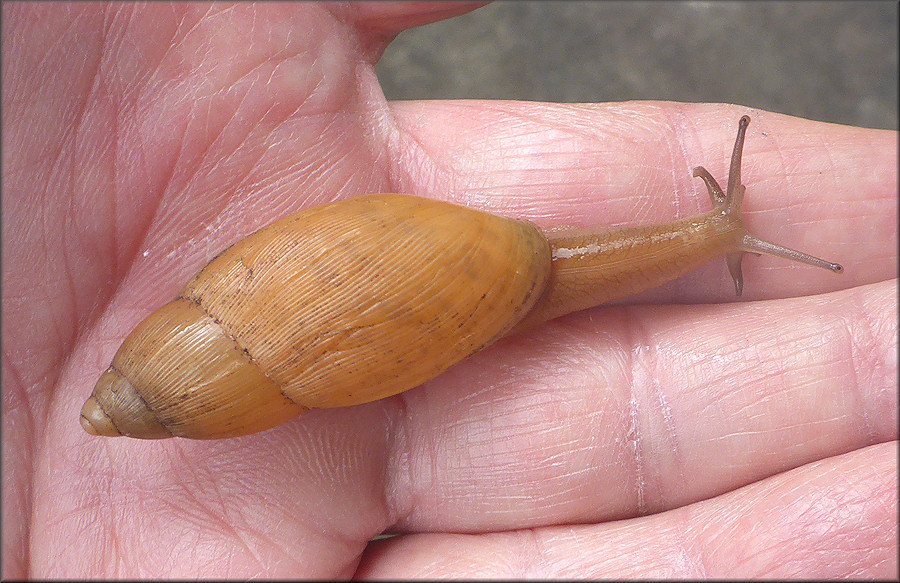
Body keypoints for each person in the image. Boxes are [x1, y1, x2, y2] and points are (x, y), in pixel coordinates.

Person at [3, 3, 896, 578]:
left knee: (532, 267)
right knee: (535, 269)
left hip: (295, 332)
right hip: (268, 345)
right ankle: (712, 235)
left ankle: (712, 234)